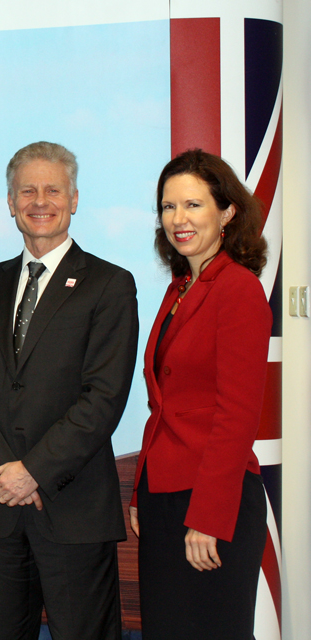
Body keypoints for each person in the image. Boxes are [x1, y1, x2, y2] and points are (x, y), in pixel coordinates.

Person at [0, 141, 138, 640]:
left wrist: (33, 473)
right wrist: (7, 475)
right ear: (11, 203)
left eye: (53, 189)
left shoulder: (110, 284)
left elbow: (103, 398)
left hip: (74, 509)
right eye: (27, 191)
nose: (41, 201)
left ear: (74, 199)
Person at [129, 149, 271, 640]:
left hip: (213, 503)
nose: (178, 219)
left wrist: (207, 517)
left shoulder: (238, 289)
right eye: (168, 207)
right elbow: (164, 405)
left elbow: (237, 416)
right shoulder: (180, 288)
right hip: (163, 497)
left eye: (193, 205)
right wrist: (140, 490)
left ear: (227, 211)